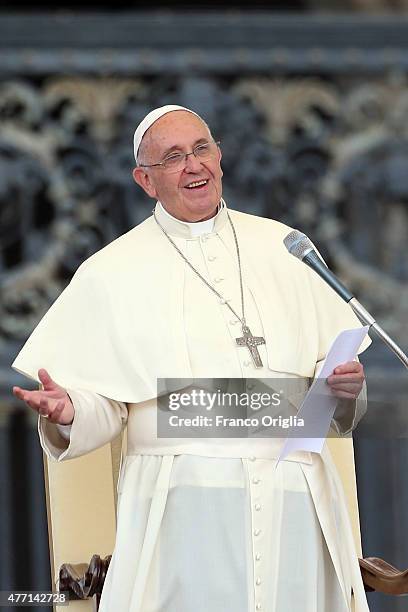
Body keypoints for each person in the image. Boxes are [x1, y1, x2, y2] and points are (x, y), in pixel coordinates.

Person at [12, 105, 371, 612]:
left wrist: (347, 389)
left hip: (295, 500)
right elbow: (109, 407)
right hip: (184, 508)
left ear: (219, 155)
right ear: (146, 180)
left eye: (201, 149)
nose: (194, 165)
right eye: (173, 157)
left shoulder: (285, 246)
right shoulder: (111, 272)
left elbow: (336, 402)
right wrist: (71, 412)